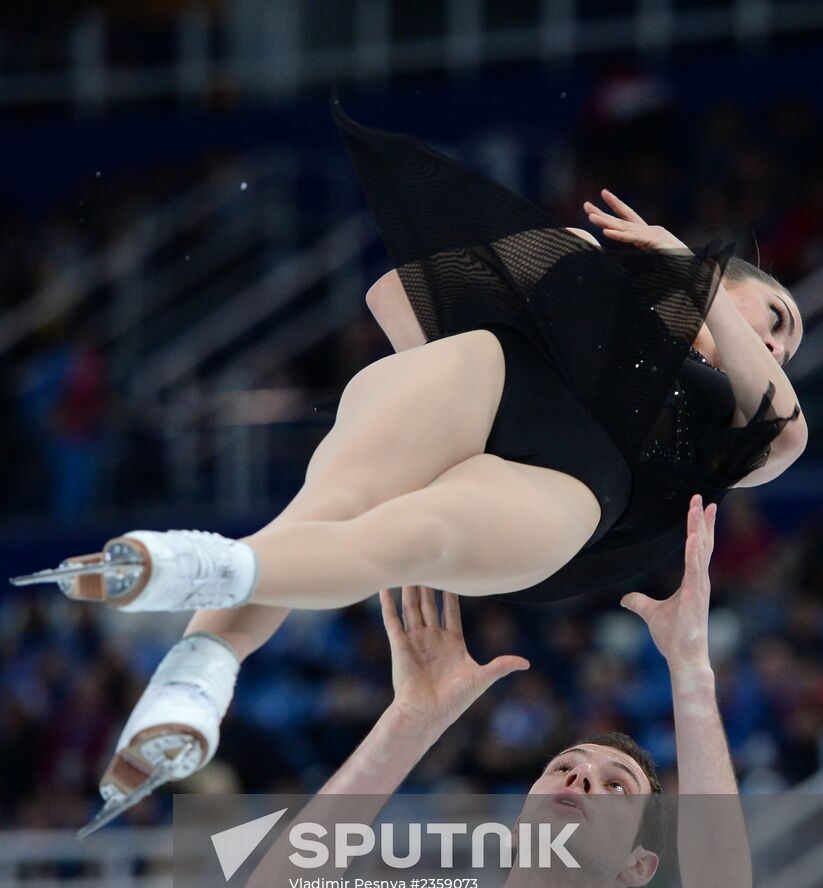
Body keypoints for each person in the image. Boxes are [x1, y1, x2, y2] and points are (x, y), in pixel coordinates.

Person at [11, 107, 806, 831]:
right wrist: (560, 303)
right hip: (491, 383)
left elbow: (785, 431)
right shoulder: (592, 270)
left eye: (789, 346)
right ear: (727, 276)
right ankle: (191, 679)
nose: (776, 347)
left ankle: (196, 583)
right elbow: (397, 294)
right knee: (332, 511)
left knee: (402, 534)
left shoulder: (743, 420)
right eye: (774, 317)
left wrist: (685, 282)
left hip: (577, 485)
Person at [231, 495, 750, 888]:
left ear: (637, 866)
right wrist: (411, 721)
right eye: (564, 767)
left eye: (617, 785)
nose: (581, 778)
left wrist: (690, 671)